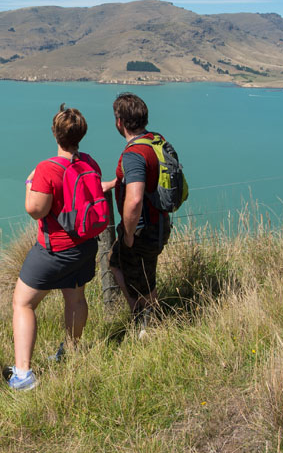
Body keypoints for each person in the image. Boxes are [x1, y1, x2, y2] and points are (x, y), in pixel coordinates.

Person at [9, 104, 102, 390]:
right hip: (85, 246)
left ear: (55, 134)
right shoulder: (89, 162)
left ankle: (23, 374)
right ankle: (72, 351)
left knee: (23, 303)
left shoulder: (47, 168)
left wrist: (28, 182)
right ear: (81, 134)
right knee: (75, 298)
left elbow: (35, 210)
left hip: (53, 251)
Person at [103, 92, 173, 335]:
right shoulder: (154, 140)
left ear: (120, 122)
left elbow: (134, 201)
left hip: (143, 228)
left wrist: (130, 234)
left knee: (143, 278)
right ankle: (139, 315)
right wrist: (115, 182)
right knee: (119, 262)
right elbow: (146, 175)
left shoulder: (133, 155)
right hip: (161, 222)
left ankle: (150, 327)